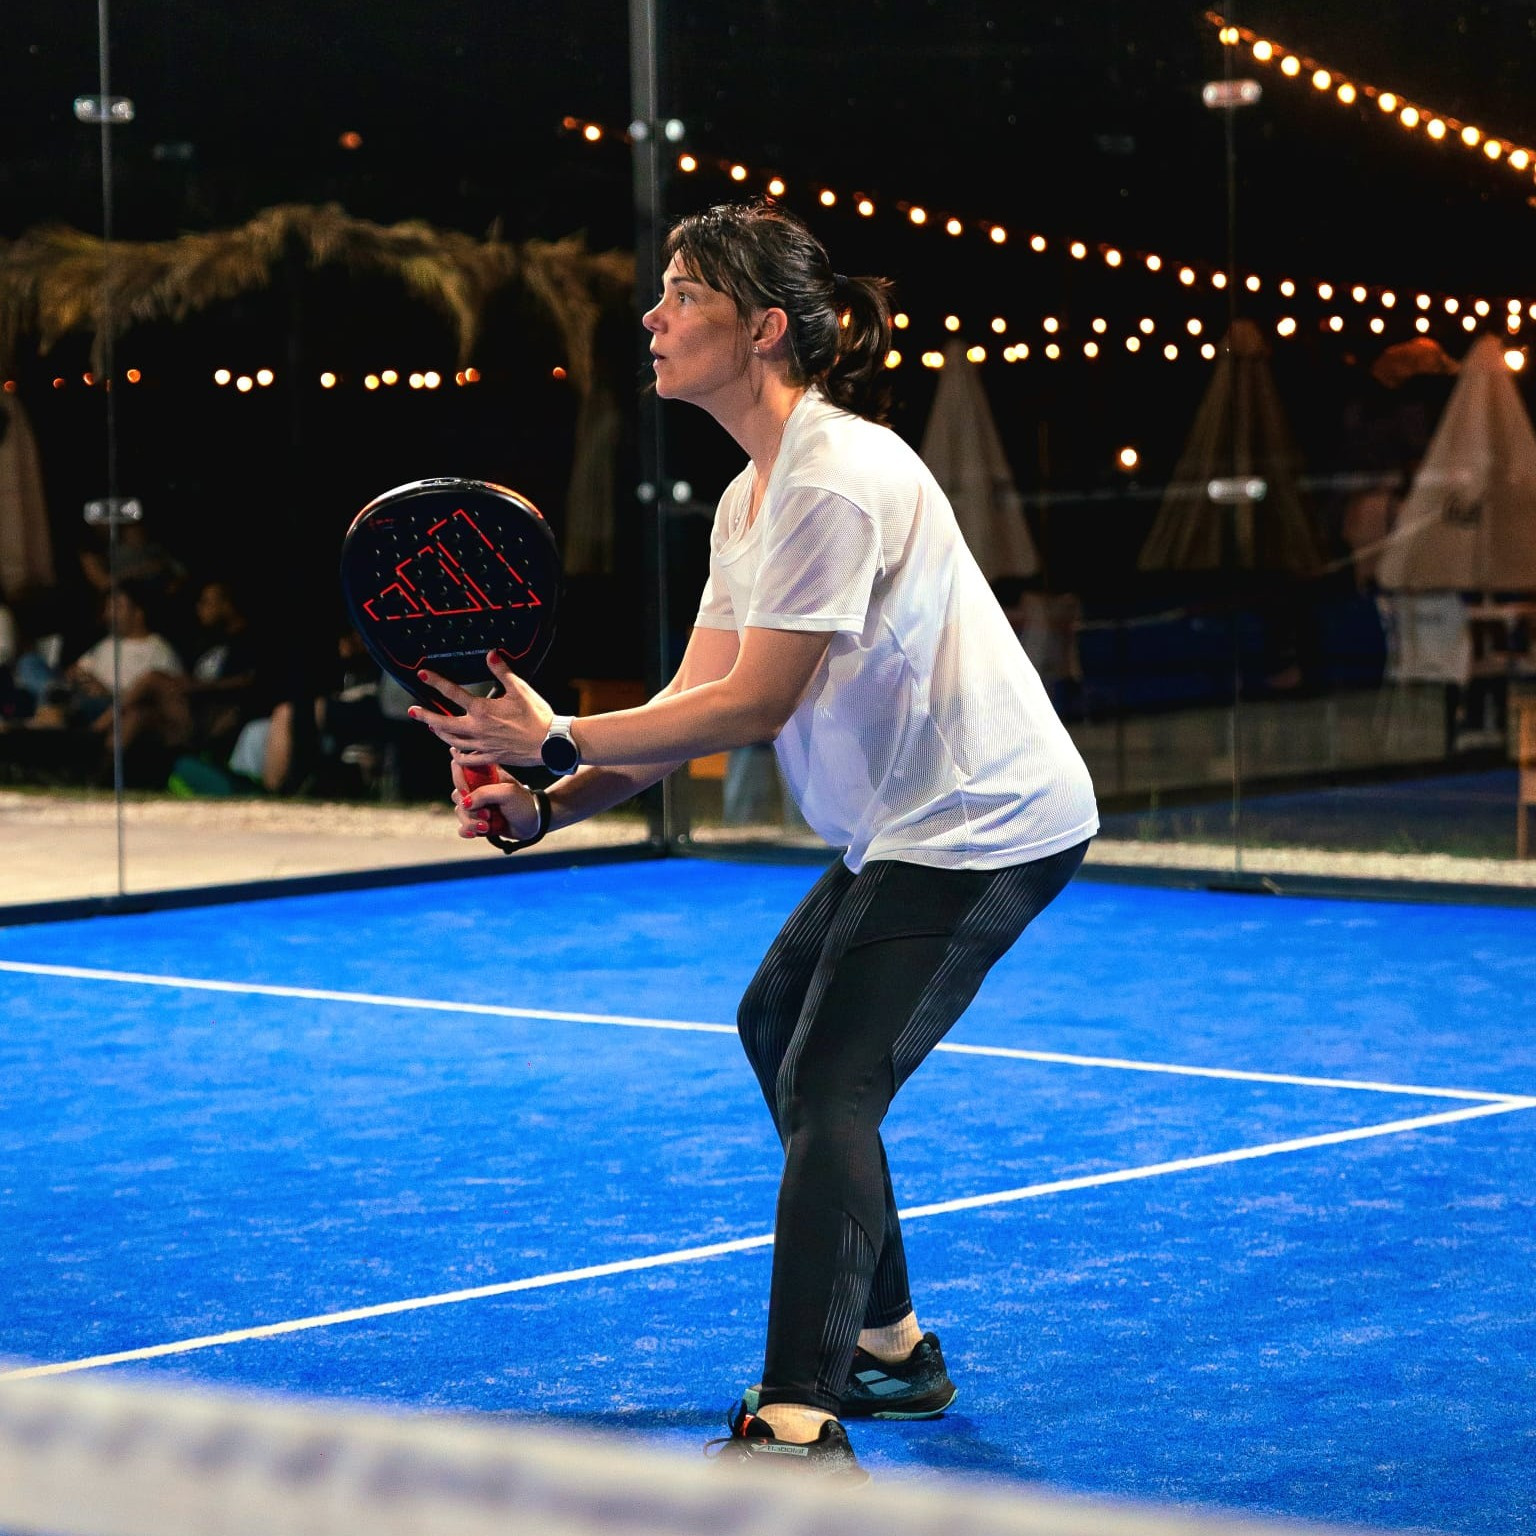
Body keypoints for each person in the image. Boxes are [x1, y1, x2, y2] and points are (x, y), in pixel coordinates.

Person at [408, 201, 1099, 1484]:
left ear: (764, 328)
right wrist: (550, 800)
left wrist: (556, 738)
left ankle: (798, 1416)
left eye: (684, 294)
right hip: (904, 824)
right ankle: (890, 1350)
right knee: (779, 1027)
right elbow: (693, 706)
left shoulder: (835, 477)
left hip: (983, 821)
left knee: (833, 1080)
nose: (654, 315)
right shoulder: (752, 498)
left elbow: (757, 705)